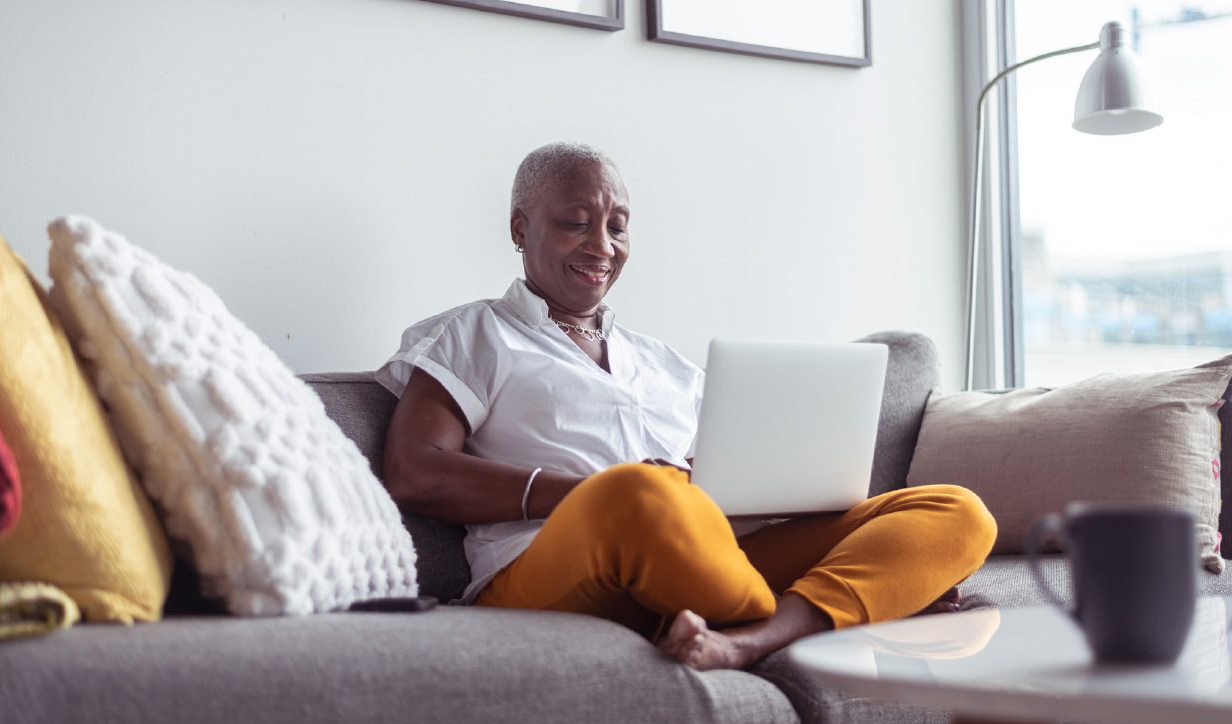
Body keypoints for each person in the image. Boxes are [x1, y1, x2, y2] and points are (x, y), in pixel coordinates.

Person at [377, 142, 997, 671]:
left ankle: (752, 637)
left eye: (618, 227)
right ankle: (854, 604)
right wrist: (589, 492)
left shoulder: (666, 364)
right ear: (520, 229)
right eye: (575, 222)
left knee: (957, 510)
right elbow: (415, 469)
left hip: (705, 554)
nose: (602, 245)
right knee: (640, 497)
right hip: (551, 568)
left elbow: (723, 479)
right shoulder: (475, 334)